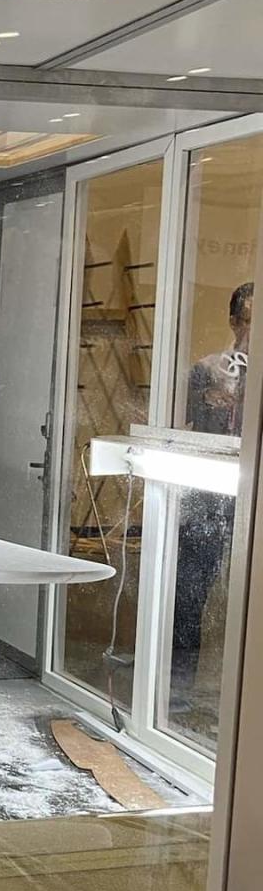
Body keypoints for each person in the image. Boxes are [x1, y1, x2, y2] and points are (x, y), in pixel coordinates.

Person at [172, 281, 253, 695]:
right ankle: (177, 691)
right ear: (233, 321)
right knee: (189, 593)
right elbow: (183, 424)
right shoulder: (207, 369)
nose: (252, 331)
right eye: (247, 321)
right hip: (207, 499)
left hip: (250, 499)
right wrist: (212, 398)